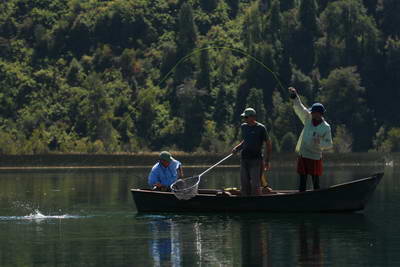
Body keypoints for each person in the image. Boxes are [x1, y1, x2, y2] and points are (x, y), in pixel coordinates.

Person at [289, 87, 333, 192]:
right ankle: (301, 200)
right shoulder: (308, 118)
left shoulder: (326, 127)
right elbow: (300, 108)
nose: (311, 113)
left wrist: (320, 142)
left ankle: (316, 200)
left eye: (313, 112)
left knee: (315, 181)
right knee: (302, 180)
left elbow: (329, 144)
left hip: (315, 156)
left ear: (319, 114)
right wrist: (295, 96)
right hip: (303, 154)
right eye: (311, 112)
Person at [232, 108, 272, 196]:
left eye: (246, 117)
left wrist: (267, 160)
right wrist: (237, 148)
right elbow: (245, 141)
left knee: (255, 185)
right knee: (244, 184)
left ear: (252, 117)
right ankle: (245, 202)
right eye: (244, 117)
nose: (244, 119)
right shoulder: (244, 127)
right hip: (244, 159)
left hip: (256, 160)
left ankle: (256, 203)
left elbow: (268, 144)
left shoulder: (261, 128)